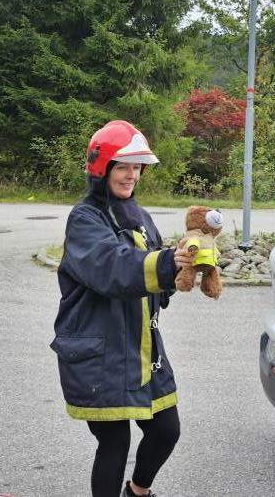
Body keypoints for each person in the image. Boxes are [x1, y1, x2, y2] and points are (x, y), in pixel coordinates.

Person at [51, 120, 193, 497]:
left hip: (142, 346)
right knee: (115, 443)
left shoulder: (140, 216)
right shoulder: (85, 219)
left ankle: (137, 492)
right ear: (102, 168)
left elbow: (155, 277)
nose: (131, 175)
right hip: (99, 350)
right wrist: (165, 265)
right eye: (122, 166)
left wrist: (180, 272)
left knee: (167, 430)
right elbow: (112, 267)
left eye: (137, 167)